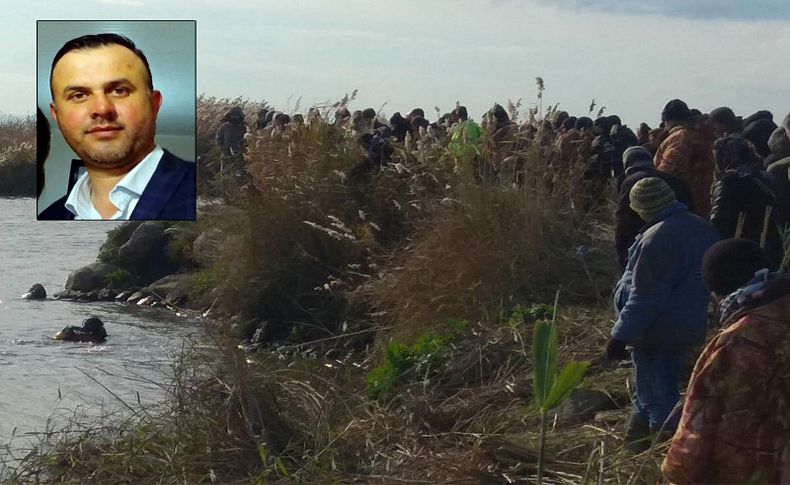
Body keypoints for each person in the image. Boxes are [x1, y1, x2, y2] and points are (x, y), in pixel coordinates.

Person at [662, 239, 790, 484]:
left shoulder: (739, 343)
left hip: (754, 473)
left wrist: (677, 470)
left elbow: (700, 424)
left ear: (718, 291)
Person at [608, 177, 718, 453]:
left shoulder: (657, 238)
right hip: (687, 323)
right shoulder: (700, 226)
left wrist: (620, 336)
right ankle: (634, 449)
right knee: (646, 390)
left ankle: (662, 454)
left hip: (656, 331)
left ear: (641, 207)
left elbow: (646, 296)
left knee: (658, 397)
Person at [39, 33, 195, 221]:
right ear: (57, 115)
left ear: (153, 104)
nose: (102, 108)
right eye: (79, 95)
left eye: (119, 91)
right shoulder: (50, 217)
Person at [709, 135, 784, 269]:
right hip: (771, 246)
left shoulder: (727, 183)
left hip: (738, 250)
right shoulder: (767, 176)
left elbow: (718, 222)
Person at [614, 147, 694, 268]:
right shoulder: (674, 180)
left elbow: (623, 221)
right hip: (680, 243)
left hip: (646, 245)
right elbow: (691, 208)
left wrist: (622, 255)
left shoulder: (631, 182)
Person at [654, 99, 716, 217]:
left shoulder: (681, 137)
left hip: (680, 208)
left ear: (670, 120)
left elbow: (668, 173)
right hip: (700, 205)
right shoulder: (700, 136)